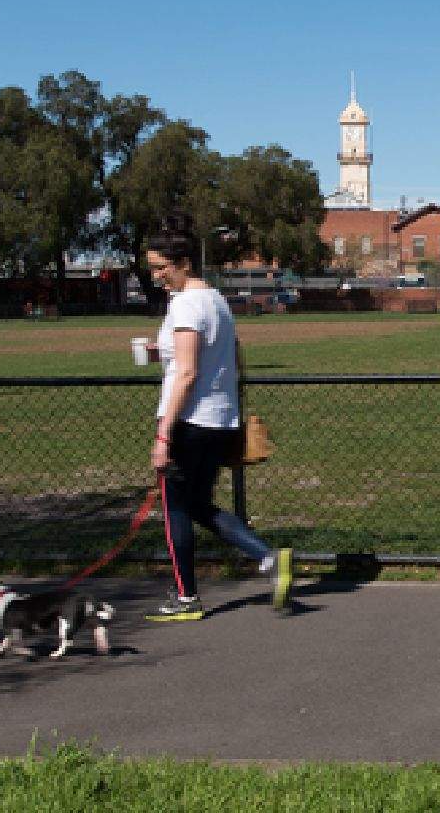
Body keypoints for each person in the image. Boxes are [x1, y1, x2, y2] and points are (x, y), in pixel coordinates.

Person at [143, 215, 291, 621]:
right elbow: (219, 356)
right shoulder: (215, 300)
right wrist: (163, 353)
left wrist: (163, 435)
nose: (156, 276)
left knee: (176, 509)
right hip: (218, 419)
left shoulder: (188, 304)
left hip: (189, 422)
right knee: (197, 504)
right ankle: (268, 558)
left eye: (161, 267)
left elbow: (188, 372)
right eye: (152, 267)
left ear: (184, 262)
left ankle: (186, 597)